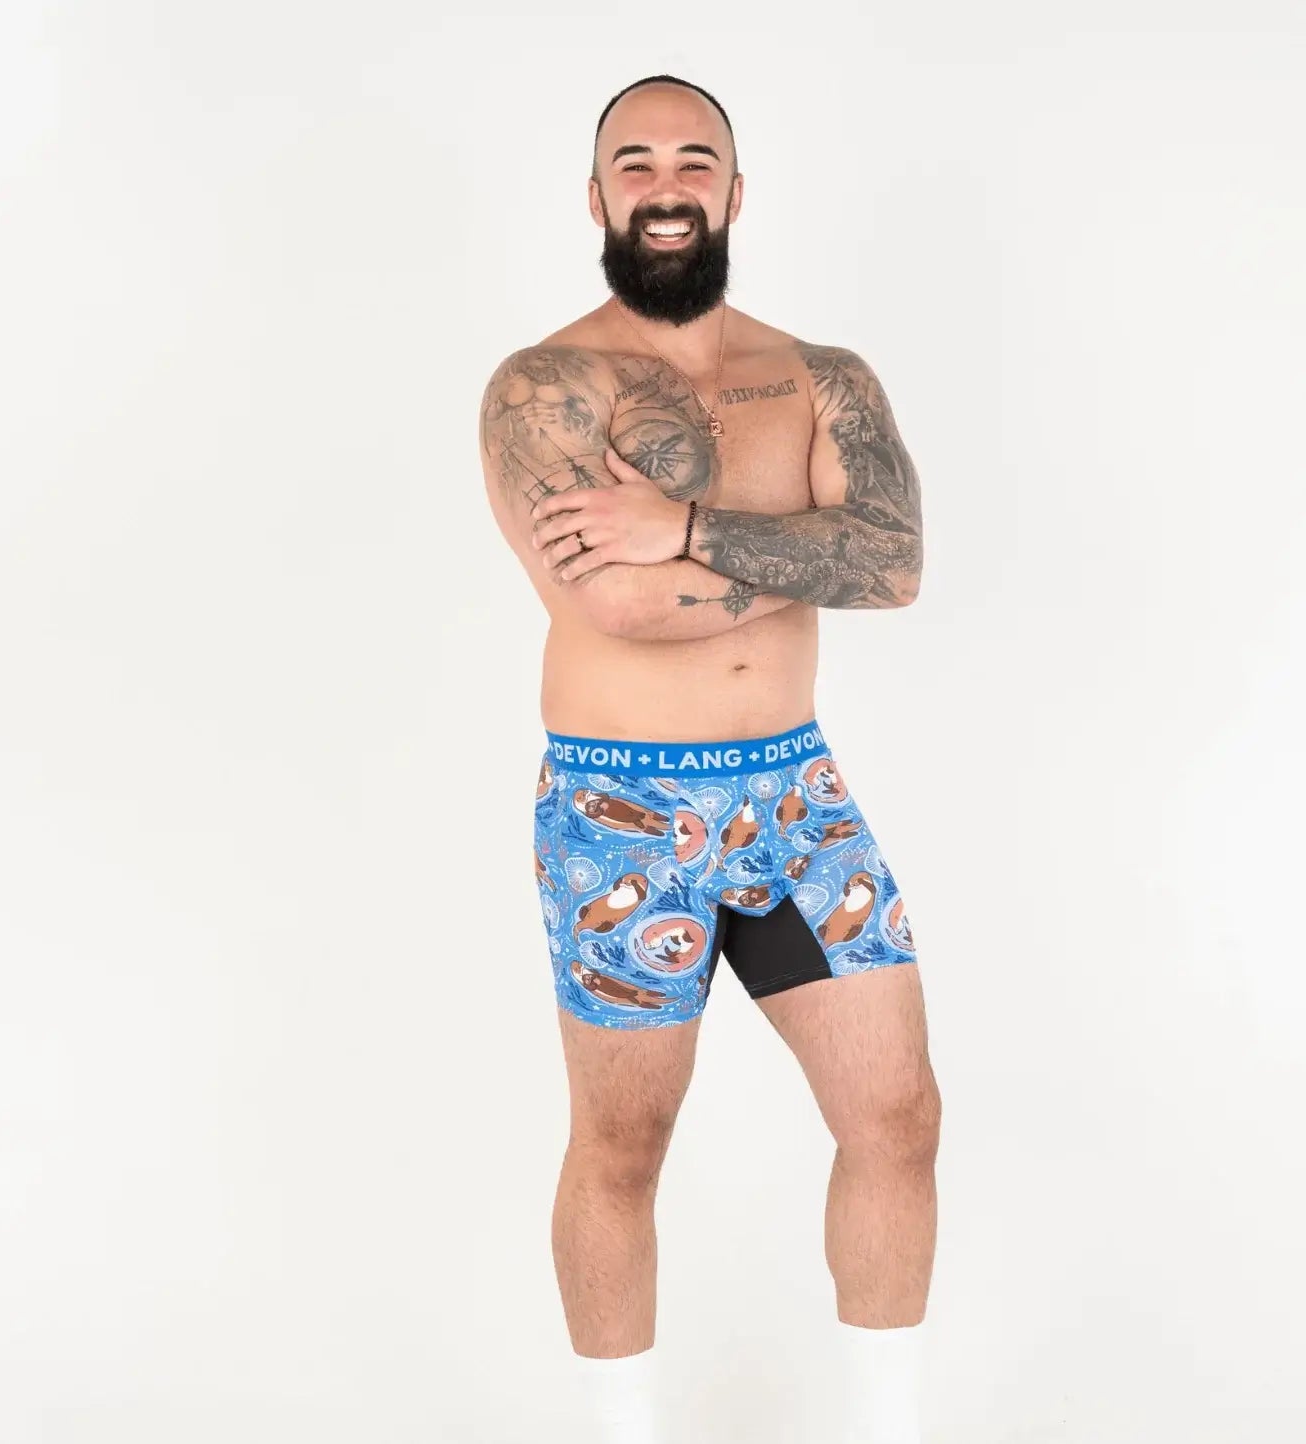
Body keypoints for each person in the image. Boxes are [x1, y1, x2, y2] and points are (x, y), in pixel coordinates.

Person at [478, 73, 940, 1444]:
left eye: (695, 161)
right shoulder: (543, 387)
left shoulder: (823, 378)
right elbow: (614, 607)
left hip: (796, 797)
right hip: (620, 804)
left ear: (735, 193)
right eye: (636, 163)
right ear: (598, 197)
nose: (666, 185)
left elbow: (897, 566)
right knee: (624, 1146)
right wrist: (809, 551)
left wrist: (678, 528)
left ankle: (887, 1430)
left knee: (897, 1116)